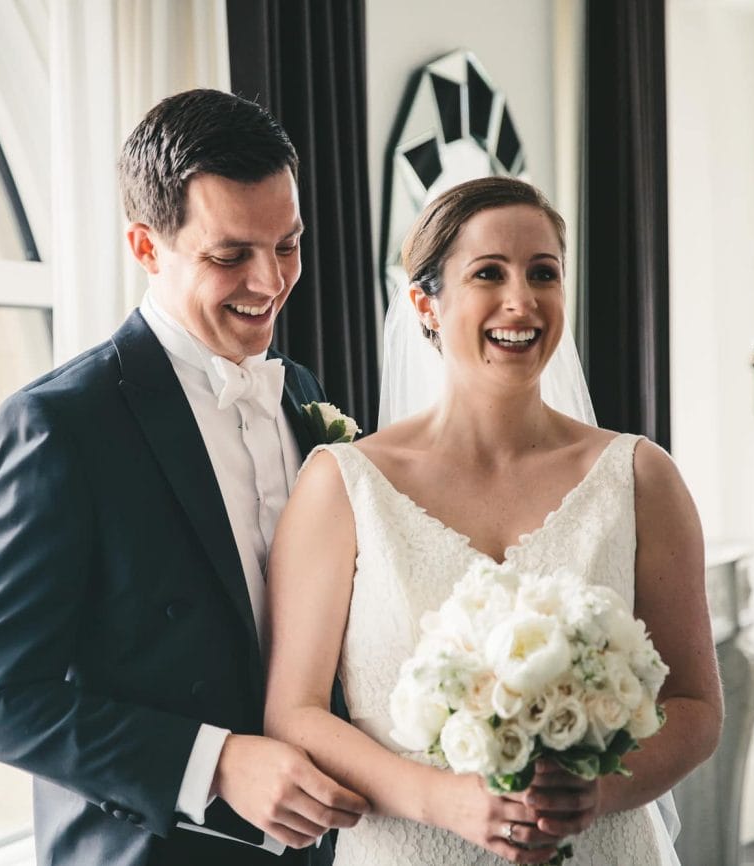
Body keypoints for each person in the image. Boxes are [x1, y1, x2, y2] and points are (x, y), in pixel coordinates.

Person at [0, 88, 368, 866]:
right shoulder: (62, 426)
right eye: (230, 254)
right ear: (146, 247)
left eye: (288, 245)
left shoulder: (302, 393)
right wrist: (213, 763)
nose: (270, 282)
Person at [263, 176, 723, 865]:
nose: (522, 300)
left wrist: (598, 791)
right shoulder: (343, 485)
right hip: (412, 848)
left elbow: (695, 705)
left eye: (545, 272)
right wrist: (440, 800)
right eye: (488, 273)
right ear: (425, 303)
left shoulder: (639, 477)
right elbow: (293, 713)